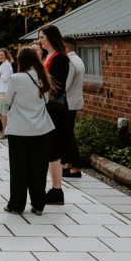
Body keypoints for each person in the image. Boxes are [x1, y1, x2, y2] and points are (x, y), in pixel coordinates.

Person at [4, 46, 55, 214]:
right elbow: (46, 101)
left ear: (21, 61)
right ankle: (38, 204)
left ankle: (16, 205)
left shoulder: (16, 78)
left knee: (19, 168)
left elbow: (7, 99)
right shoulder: (43, 77)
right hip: (41, 129)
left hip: (19, 130)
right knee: (39, 168)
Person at [39, 25, 71, 205]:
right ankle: (54, 188)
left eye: (42, 37)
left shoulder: (60, 59)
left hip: (55, 110)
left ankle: (57, 190)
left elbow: (57, 88)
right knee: (50, 149)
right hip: (48, 108)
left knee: (54, 149)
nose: (40, 40)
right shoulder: (47, 57)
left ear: (51, 38)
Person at [64, 36, 86, 179]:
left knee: (68, 134)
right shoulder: (78, 59)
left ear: (65, 46)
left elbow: (66, 85)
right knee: (67, 134)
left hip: (69, 102)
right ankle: (69, 164)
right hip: (74, 101)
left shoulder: (70, 61)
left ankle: (76, 167)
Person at [0, 48, 14, 136]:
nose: (0, 56)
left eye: (2, 55)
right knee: (0, 113)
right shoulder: (3, 64)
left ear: (6, 55)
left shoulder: (7, 65)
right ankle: (5, 130)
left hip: (4, 91)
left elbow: (5, 78)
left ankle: (5, 131)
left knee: (3, 113)